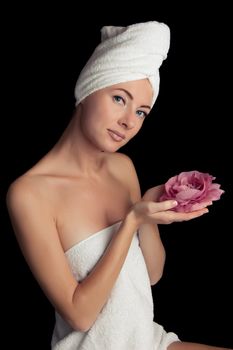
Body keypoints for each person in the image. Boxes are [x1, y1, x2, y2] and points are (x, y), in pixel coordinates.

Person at [6, 21, 231, 350]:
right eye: (118, 99)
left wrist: (149, 213)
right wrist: (131, 222)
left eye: (141, 111)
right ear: (87, 90)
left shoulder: (122, 167)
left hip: (148, 341)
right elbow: (80, 315)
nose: (129, 122)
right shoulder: (30, 194)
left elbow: (152, 275)